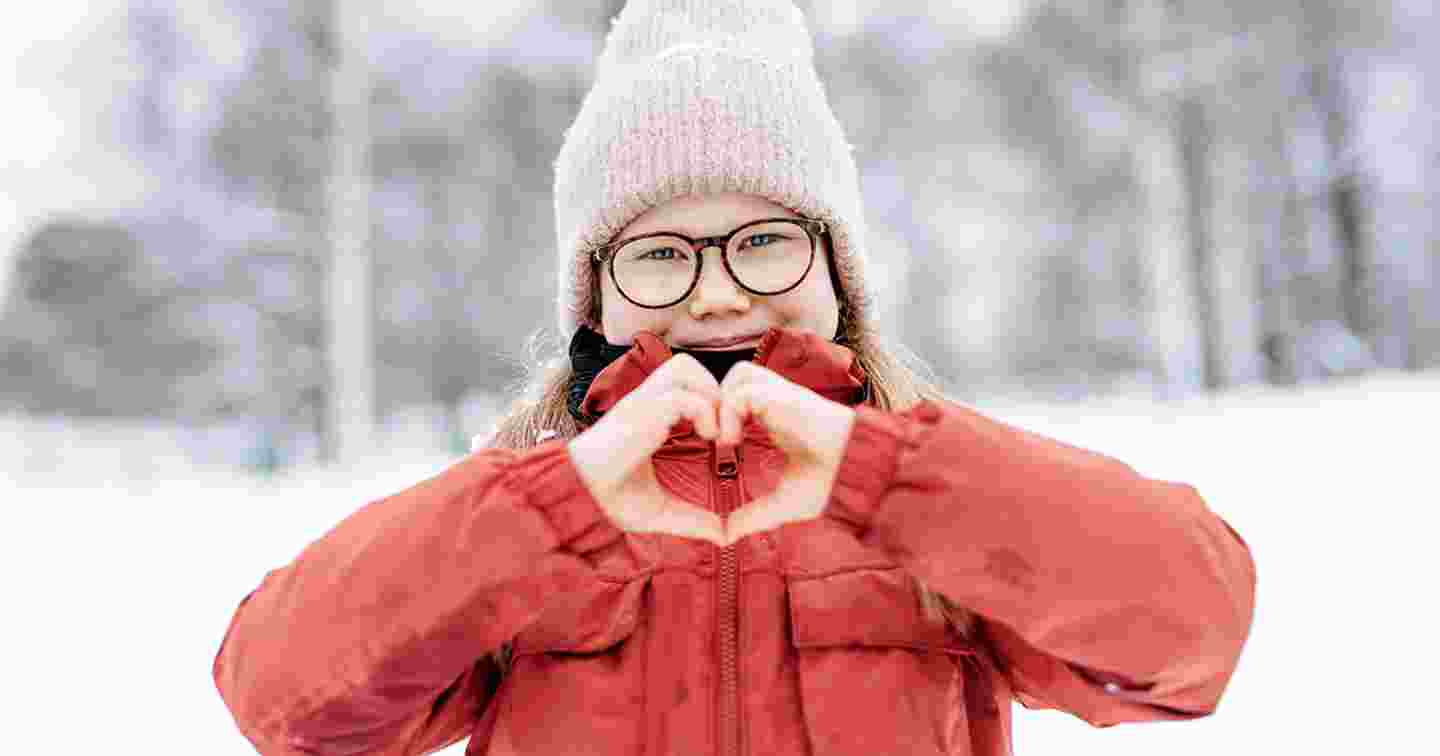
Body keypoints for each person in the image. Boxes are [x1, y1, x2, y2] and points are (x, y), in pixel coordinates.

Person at [212, 1, 1257, 754]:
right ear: (598, 295)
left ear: (834, 270)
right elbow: (284, 702)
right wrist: (550, 508)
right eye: (661, 254)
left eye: (761, 242)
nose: (715, 295)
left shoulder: (942, 491)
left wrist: (892, 481)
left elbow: (1193, 635)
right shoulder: (519, 514)